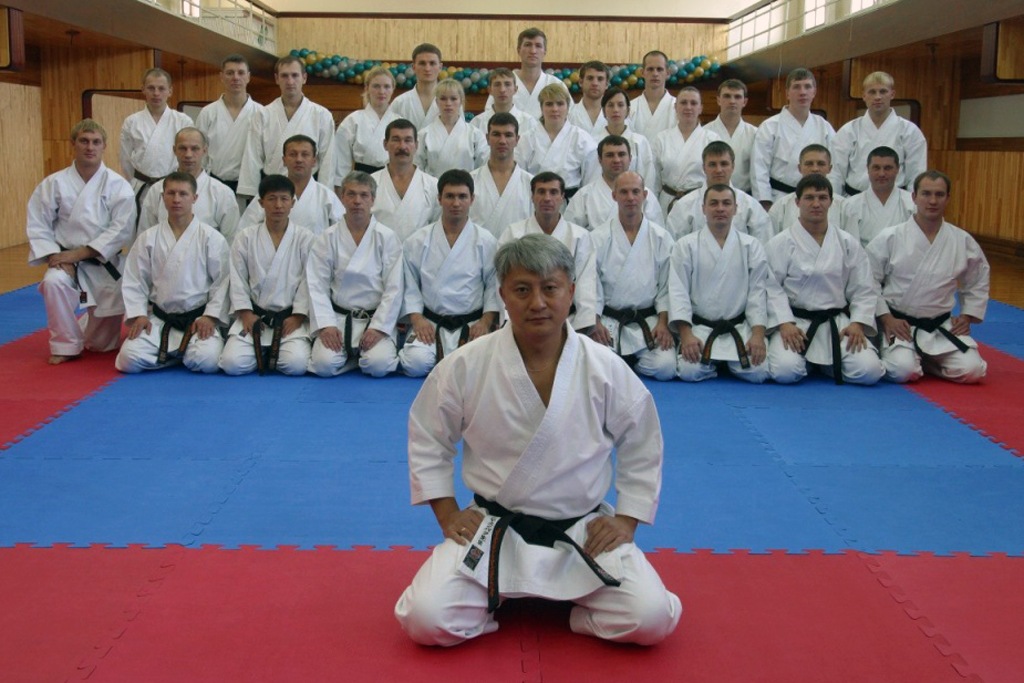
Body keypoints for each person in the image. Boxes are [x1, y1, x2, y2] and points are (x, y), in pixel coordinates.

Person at [395, 232, 681, 647]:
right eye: (522, 290)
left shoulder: (604, 367)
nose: (538, 303)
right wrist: (447, 514)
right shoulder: (467, 364)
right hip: (495, 528)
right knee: (425, 619)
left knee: (652, 619)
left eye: (550, 288)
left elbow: (643, 443)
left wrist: (626, 519)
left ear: (572, 292)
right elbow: (427, 434)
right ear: (502, 295)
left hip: (582, 530)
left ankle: (563, 611)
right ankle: (513, 596)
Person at [26, 119, 136, 364]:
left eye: (96, 142)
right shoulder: (54, 183)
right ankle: (65, 345)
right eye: (84, 141)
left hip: (103, 262)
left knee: (101, 346)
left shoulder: (118, 185)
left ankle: (85, 325)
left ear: (104, 146)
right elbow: (38, 223)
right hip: (65, 262)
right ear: (73, 144)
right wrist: (55, 256)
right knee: (54, 283)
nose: (90, 147)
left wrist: (78, 254)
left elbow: (122, 229)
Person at [866, 170, 989, 384]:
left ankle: (927, 360)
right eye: (926, 194)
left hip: (940, 327)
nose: (932, 201)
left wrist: (968, 315)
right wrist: (886, 318)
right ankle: (916, 357)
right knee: (903, 372)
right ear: (914, 197)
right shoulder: (891, 237)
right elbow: (868, 280)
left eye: (939, 194)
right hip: (900, 325)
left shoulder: (961, 240)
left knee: (973, 371)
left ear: (948, 198)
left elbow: (978, 278)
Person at [765, 174, 883, 386]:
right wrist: (784, 323)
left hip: (837, 325)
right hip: (796, 323)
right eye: (809, 198)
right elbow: (771, 288)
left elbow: (864, 288)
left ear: (831, 202)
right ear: (797, 202)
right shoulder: (780, 243)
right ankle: (819, 363)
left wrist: (857, 323)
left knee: (870, 372)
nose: (816, 204)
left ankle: (820, 364)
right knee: (785, 372)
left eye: (822, 197)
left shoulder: (847, 242)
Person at [115, 172, 230, 374]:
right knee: (128, 359)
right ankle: (178, 355)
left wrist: (211, 317)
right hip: (160, 319)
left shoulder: (212, 238)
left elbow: (223, 282)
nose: (176, 199)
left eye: (183, 194)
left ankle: (170, 354)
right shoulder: (148, 238)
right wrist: (139, 314)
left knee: (207, 361)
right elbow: (134, 280)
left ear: (194, 198)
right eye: (171, 193)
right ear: (162, 197)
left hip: (198, 319)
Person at [398, 170, 500, 376]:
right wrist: (417, 319)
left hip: (471, 324)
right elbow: (410, 285)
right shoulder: (418, 241)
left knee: (481, 367)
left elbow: (493, 286)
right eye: (450, 196)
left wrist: (485, 322)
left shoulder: (486, 240)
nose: (456, 203)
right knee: (415, 364)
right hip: (431, 323)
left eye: (462, 196)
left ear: (472, 199)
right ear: (439, 199)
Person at [669, 184, 772, 383]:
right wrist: (686, 334)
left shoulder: (751, 246)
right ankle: (724, 365)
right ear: (703, 208)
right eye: (714, 203)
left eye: (726, 203)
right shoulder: (686, 246)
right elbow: (678, 292)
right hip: (701, 328)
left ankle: (721, 363)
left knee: (758, 372)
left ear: (735, 209)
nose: (720, 209)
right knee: (689, 371)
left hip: (738, 327)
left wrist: (758, 335)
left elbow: (757, 294)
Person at [307, 172, 404, 377]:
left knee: (378, 366)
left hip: (374, 318)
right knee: (324, 366)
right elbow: (316, 285)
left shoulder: (387, 237)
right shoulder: (327, 237)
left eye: (364, 195)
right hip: (339, 319)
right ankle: (353, 358)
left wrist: (379, 327)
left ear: (373, 200)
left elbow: (394, 288)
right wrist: (326, 325)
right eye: (351, 194)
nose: (357, 201)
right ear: (342, 197)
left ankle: (355, 357)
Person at [218, 175, 315, 376]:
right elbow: (237, 278)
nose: (278, 205)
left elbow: (310, 280)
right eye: (271, 199)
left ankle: (267, 353)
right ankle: (265, 352)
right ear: (261, 203)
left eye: (284, 199)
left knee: (296, 365)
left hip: (290, 319)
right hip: (255, 318)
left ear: (292, 203)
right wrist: (245, 313)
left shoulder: (305, 238)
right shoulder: (245, 237)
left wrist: (298, 315)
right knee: (231, 364)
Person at [589, 172, 676, 380]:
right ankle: (620, 364)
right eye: (624, 192)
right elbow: (591, 285)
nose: (630, 198)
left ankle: (624, 366)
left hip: (647, 322)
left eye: (635, 192)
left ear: (644, 195)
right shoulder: (597, 238)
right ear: (614, 196)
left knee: (666, 368)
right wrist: (595, 321)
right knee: (597, 368)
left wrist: (663, 322)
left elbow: (667, 287)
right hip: (608, 321)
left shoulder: (661, 238)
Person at [500, 172, 598, 333]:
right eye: (541, 192)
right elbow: (504, 282)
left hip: (569, 321)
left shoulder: (579, 236)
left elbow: (585, 282)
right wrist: (510, 321)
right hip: (523, 319)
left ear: (562, 197)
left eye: (553, 192)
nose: (547, 198)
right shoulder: (513, 234)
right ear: (532, 197)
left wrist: (583, 325)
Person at [238, 55, 335, 198]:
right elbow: (252, 157)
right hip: (272, 188)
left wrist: (325, 194)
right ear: (277, 79)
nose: (290, 81)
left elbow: (328, 159)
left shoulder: (321, 115)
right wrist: (250, 192)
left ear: (304, 78)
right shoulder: (262, 115)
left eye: (295, 75)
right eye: (284, 76)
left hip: (308, 189)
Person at [829, 71, 927, 197]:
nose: (877, 97)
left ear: (892, 94)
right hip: (853, 200)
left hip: (897, 200)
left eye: (883, 91)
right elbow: (836, 174)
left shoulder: (909, 131)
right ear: (864, 95)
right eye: (872, 92)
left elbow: (916, 174)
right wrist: (836, 202)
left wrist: (911, 203)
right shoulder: (849, 131)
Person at [751, 68, 836, 209]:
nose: (802, 92)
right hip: (778, 198)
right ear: (787, 93)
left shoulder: (824, 126)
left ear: (814, 92)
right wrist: (764, 201)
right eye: (796, 87)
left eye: (807, 87)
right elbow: (759, 168)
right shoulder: (770, 126)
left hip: (816, 199)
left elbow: (834, 167)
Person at [139, 128, 240, 243]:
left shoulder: (222, 193)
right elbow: (144, 236)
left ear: (205, 150)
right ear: (174, 150)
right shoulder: (157, 190)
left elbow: (230, 240)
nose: (188, 154)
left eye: (195, 148)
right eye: (182, 148)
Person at [119, 68, 193, 223]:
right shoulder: (132, 122)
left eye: (161, 88)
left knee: (170, 227)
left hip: (172, 187)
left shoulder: (183, 121)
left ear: (170, 91)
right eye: (151, 88)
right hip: (141, 185)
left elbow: (189, 155)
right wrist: (135, 180)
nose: (156, 93)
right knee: (141, 229)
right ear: (143, 90)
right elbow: (125, 159)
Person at [666, 141, 771, 244]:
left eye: (724, 164)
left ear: (733, 166)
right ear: (704, 168)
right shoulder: (684, 205)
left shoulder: (750, 205)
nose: (719, 170)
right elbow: (674, 247)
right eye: (712, 164)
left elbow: (762, 244)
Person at [238, 135, 343, 236]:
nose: (299, 160)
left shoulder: (326, 196)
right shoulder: (269, 193)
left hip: (316, 248)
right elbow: (244, 230)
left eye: (305, 154)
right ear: (284, 160)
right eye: (293, 154)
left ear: (314, 161)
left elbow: (342, 231)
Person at [195, 54, 264, 199]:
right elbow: (199, 152)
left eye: (241, 73)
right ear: (221, 76)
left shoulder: (261, 113)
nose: (235, 77)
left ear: (248, 77)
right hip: (213, 184)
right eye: (230, 73)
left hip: (249, 186)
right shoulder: (208, 113)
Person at [564, 134, 663, 229]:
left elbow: (657, 232)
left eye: (621, 154)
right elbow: (572, 233)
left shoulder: (645, 195)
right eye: (610, 155)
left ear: (630, 159)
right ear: (599, 160)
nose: (616, 160)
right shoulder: (584, 196)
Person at [518, 83, 598, 198]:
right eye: (549, 104)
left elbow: (591, 181)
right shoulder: (527, 139)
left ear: (568, 107)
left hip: (571, 202)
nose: (555, 109)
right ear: (541, 108)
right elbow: (520, 177)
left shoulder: (582, 139)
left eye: (560, 104)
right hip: (534, 201)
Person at [652, 87, 720, 216]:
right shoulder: (661, 139)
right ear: (675, 107)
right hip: (667, 201)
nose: (688, 107)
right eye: (683, 103)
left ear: (700, 108)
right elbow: (654, 180)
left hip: (699, 202)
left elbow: (717, 176)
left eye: (693, 103)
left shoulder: (712, 139)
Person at [371, 119, 441, 241]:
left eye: (408, 140)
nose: (402, 146)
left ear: (416, 145)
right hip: (378, 251)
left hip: (420, 252)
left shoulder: (432, 185)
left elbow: (438, 228)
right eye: (396, 140)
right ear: (385, 144)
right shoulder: (370, 183)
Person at [468, 112, 534, 239]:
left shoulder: (531, 183)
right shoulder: (470, 181)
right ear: (487, 138)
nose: (502, 141)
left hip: (518, 250)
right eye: (496, 134)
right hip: (478, 249)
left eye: (508, 135)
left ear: (517, 140)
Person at [839, 146, 915, 247]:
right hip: (863, 257)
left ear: (897, 170)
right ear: (868, 169)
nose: (882, 174)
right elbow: (851, 248)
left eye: (887, 168)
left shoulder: (911, 203)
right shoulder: (851, 205)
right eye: (876, 168)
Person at [332, 65, 399, 179]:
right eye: (376, 86)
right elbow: (341, 160)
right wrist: (340, 184)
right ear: (367, 88)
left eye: (387, 86)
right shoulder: (353, 120)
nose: (381, 91)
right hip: (360, 180)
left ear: (393, 89)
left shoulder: (399, 122)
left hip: (391, 179)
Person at [483, 28, 563, 120]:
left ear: (545, 51)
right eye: (528, 45)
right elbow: (489, 117)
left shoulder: (556, 84)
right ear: (518, 50)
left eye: (538, 46)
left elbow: (568, 119)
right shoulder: (504, 83)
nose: (533, 51)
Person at [767, 144, 846, 235]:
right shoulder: (781, 206)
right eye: (809, 164)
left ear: (830, 168)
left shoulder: (843, 206)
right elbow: (771, 239)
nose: (815, 169)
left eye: (821, 164)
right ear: (799, 168)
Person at [415, 79, 488, 176]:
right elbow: (417, 167)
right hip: (432, 185)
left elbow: (482, 166)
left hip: (466, 184)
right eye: (443, 99)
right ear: (436, 102)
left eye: (453, 99)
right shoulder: (424, 134)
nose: (448, 103)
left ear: (461, 101)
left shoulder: (475, 134)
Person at [704, 79, 758, 194]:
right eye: (727, 96)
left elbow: (758, 170)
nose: (732, 101)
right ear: (718, 100)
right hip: (711, 194)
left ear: (745, 102)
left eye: (737, 97)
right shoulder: (704, 132)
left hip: (745, 194)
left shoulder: (755, 134)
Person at [599, 87, 658, 190]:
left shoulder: (640, 142)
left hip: (633, 197)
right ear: (604, 111)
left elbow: (648, 178)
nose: (615, 110)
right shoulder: (594, 142)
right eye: (611, 105)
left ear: (628, 110)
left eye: (620, 105)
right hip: (601, 197)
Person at [469, 67, 539, 139]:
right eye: (497, 85)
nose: (502, 90)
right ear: (489, 90)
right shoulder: (477, 123)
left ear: (515, 89)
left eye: (507, 84)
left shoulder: (529, 123)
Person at [388, 43, 443, 131]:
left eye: (432, 63)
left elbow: (460, 135)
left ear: (440, 67)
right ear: (413, 67)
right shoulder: (400, 102)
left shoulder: (452, 102)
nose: (427, 68)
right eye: (422, 63)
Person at [629, 50, 677, 139]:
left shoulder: (678, 106)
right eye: (650, 69)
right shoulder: (631, 107)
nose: (655, 74)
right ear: (642, 73)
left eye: (659, 69)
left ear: (667, 73)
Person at [568, 61, 610, 140]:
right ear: (581, 82)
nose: (595, 83)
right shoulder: (569, 114)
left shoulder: (615, 114)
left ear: (607, 84)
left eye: (600, 79)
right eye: (590, 78)